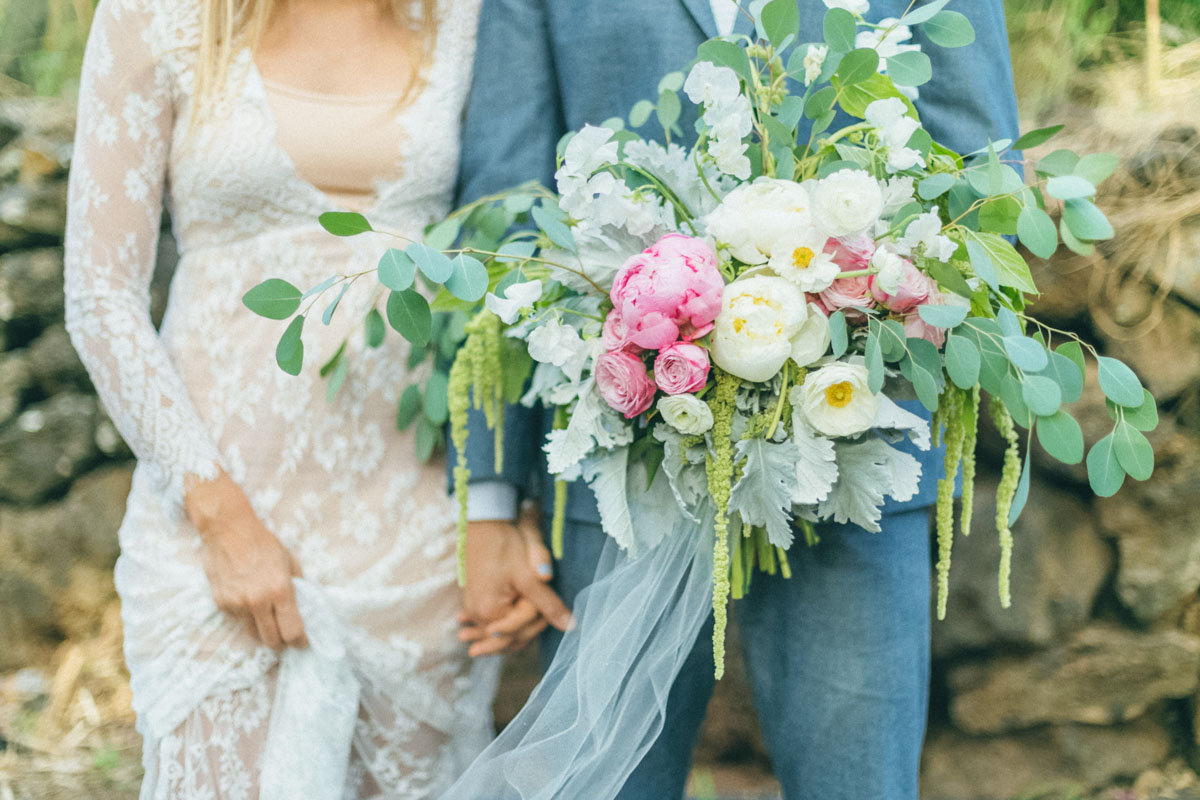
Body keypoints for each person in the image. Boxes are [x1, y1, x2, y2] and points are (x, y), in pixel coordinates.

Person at [453, 1, 1020, 798]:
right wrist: (487, 495)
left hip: (853, 437)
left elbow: (986, 181)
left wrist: (851, 306)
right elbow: (503, 210)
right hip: (622, 454)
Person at [64, 0, 565, 796]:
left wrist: (507, 503)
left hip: (416, 537)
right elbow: (100, 298)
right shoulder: (154, 16)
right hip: (217, 530)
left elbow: (512, 267)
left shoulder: (467, 16)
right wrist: (219, 519)